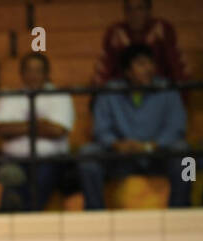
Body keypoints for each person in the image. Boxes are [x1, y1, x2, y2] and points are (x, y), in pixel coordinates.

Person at [78, 44, 190, 209]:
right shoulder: (110, 91)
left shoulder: (168, 89)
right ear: (128, 72)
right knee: (87, 153)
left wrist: (151, 146)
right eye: (141, 64)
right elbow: (100, 129)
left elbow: (177, 127)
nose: (148, 69)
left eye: (150, 63)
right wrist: (117, 144)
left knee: (188, 156)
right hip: (121, 158)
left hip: (157, 156)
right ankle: (95, 212)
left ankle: (182, 210)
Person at [0, 53, 75, 211]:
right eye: (29, 70)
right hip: (14, 160)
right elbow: (2, 129)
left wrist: (20, 127)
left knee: (40, 178)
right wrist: (38, 125)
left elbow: (57, 130)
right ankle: (11, 214)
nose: (33, 75)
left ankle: (23, 216)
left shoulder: (60, 95)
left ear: (47, 73)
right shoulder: (10, 96)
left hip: (50, 160)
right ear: (21, 73)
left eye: (38, 71)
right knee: (10, 176)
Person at [92, 0, 187, 88]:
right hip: (123, 97)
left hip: (157, 93)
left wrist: (174, 98)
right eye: (129, 9)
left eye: (140, 8)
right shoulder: (115, 33)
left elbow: (178, 70)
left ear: (149, 11)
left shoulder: (162, 30)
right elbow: (102, 73)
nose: (134, 14)